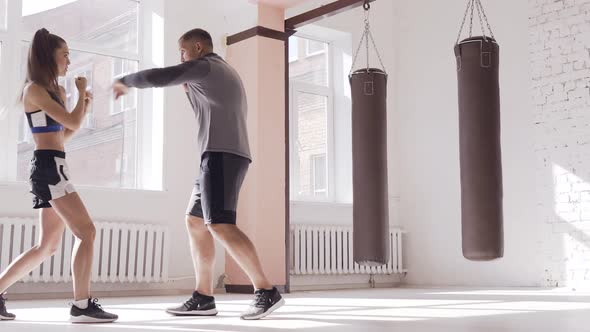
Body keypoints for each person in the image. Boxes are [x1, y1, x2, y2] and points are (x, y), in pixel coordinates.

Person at [112, 28, 284, 320]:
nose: (181, 58)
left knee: (219, 224)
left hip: (221, 155)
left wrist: (126, 81)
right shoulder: (217, 71)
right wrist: (189, 90)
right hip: (216, 155)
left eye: (183, 52)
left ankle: (265, 290)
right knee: (195, 221)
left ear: (198, 47)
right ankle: (204, 297)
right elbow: (205, 112)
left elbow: (160, 76)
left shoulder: (206, 66)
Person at [0, 28, 118, 324]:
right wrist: (81, 97)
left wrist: (82, 103)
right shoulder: (34, 90)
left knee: (48, 246)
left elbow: (63, 134)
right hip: (48, 168)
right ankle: (81, 305)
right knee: (86, 232)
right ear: (48, 56)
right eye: (64, 54)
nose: (69, 59)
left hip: (55, 164)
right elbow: (73, 120)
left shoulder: (56, 91)